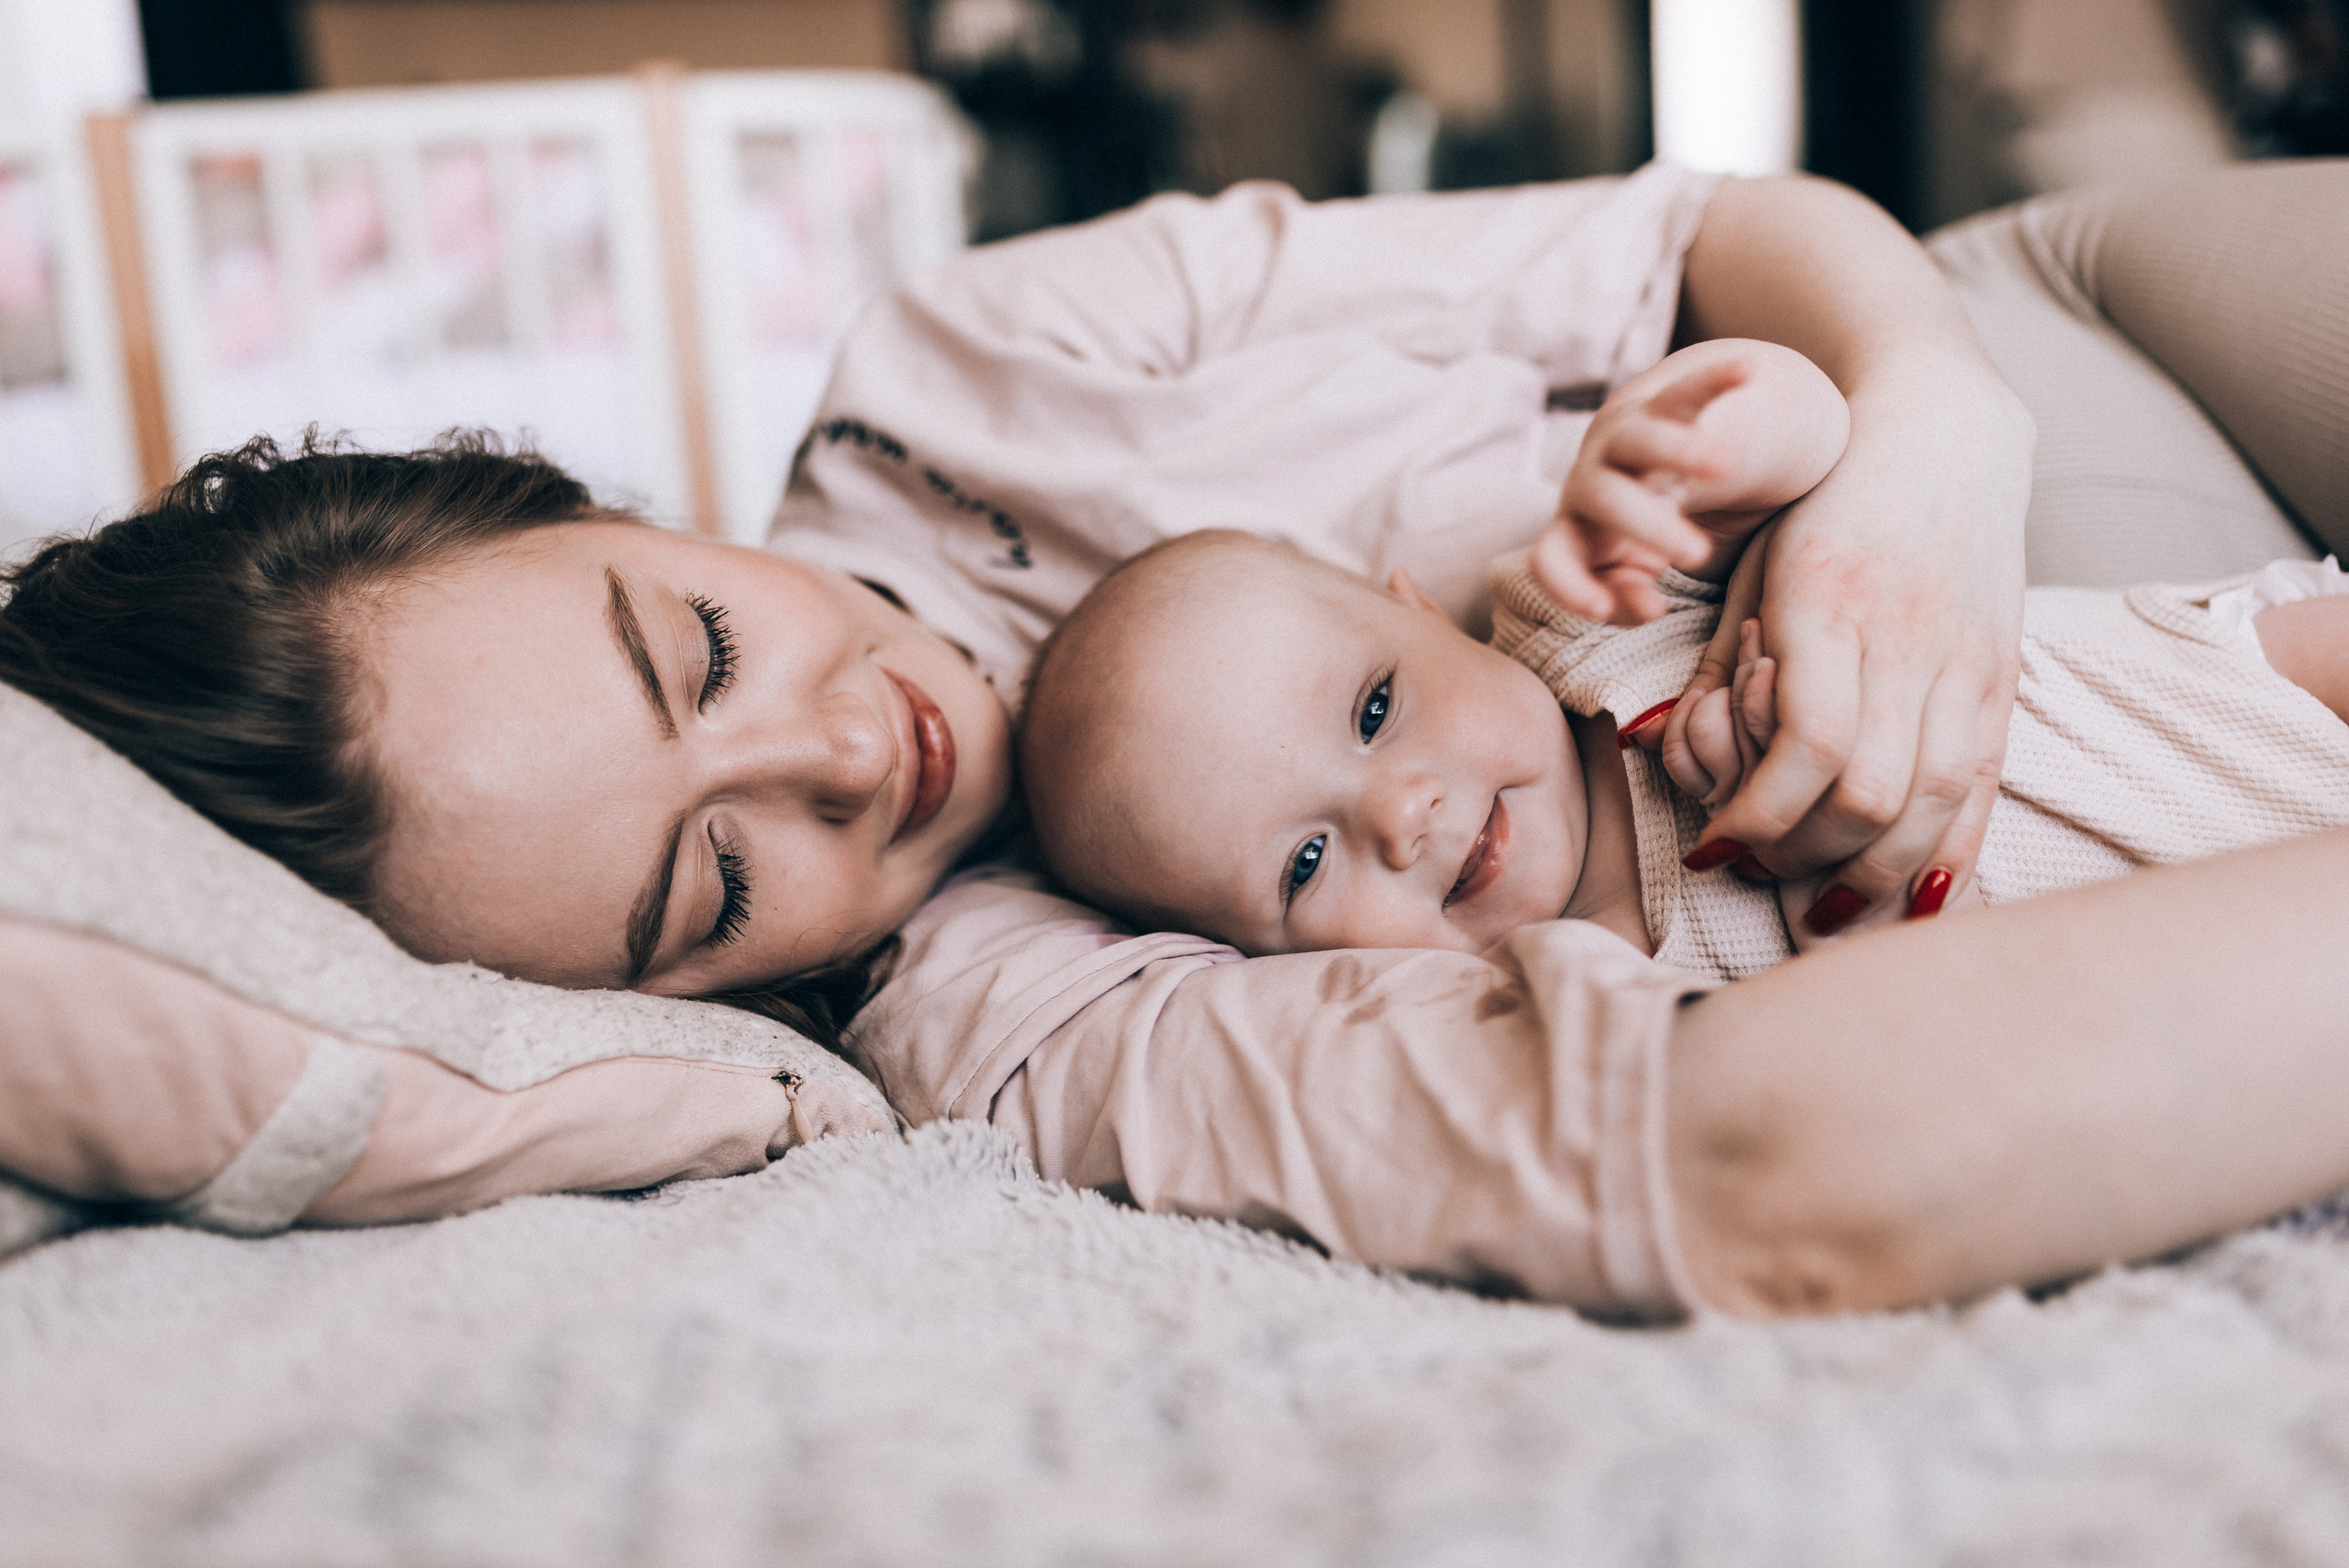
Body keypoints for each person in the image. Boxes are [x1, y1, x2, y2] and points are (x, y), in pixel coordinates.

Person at [4, 160, 2347, 1319]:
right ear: (662, 992)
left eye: (699, 647)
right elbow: (1741, 1156)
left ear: (610, 503)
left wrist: (1923, 450)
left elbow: (1731, 223)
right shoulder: (1020, 1022)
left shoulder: (972, 381)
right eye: (715, 886)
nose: (840, 757)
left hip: (2058, 340)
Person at [1015, 338, 2349, 977]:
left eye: (1376, 705)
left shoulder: (1590, 610)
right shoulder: (1544, 999)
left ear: (1420, 608)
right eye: (1305, 865)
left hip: (2216, 704)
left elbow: (1820, 432)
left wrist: (1684, 444)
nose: (1402, 813)